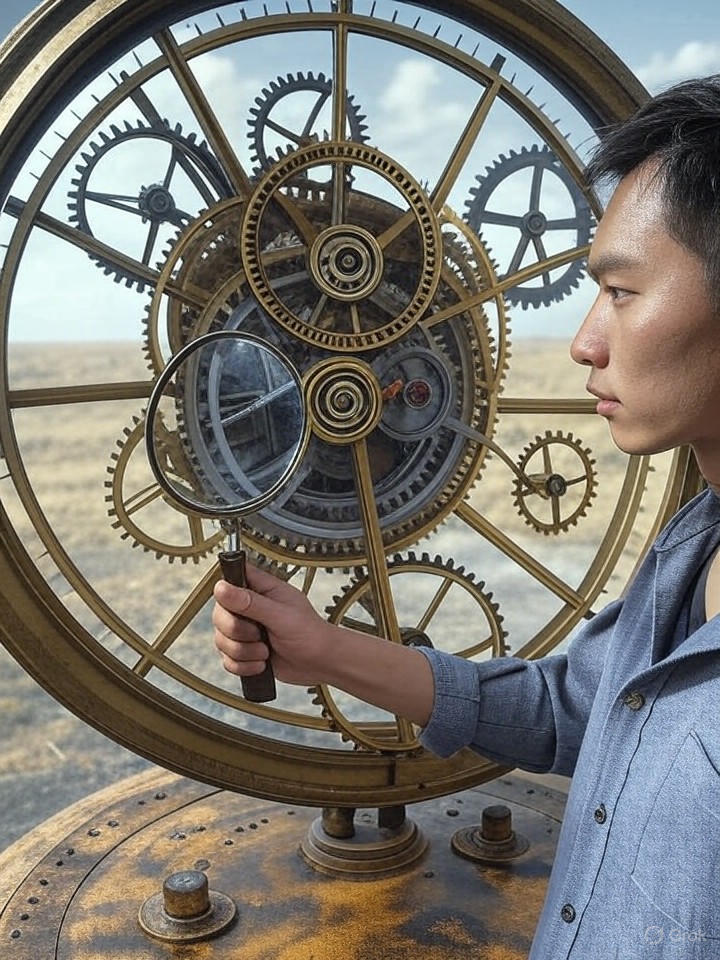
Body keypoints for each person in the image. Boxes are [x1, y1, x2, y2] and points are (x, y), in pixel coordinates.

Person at [213, 77, 720, 958]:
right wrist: (324, 651)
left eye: (623, 293)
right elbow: (574, 711)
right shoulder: (694, 550)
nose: (584, 341)